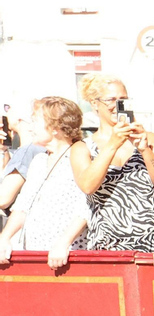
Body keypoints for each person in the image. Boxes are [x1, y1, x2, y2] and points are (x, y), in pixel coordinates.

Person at [77, 74, 154, 253]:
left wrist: (145, 150)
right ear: (95, 104)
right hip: (107, 247)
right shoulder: (83, 147)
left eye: (123, 100)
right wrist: (113, 144)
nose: (118, 105)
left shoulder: (150, 139)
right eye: (111, 100)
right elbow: (88, 186)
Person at [0, 97, 91, 269]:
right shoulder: (39, 160)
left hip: (68, 257)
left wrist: (63, 243)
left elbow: (86, 207)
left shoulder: (78, 156)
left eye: (35, 121)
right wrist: (4, 238)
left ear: (55, 128)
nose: (31, 127)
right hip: (35, 254)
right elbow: (22, 206)